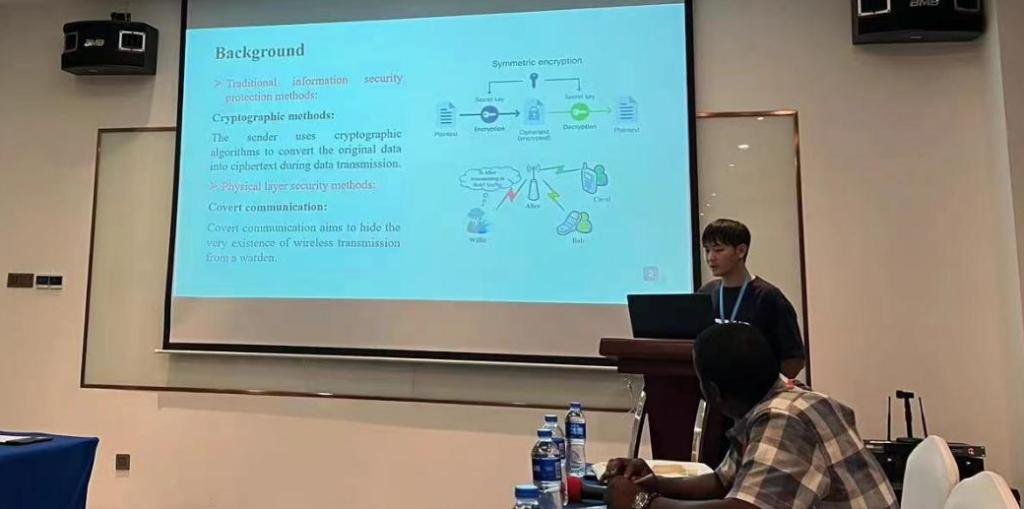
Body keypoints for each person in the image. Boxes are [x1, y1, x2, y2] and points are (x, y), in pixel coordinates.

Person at [602, 323, 898, 509]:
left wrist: (641, 503)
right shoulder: (783, 401)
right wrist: (654, 483)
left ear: (713, 392)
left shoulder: (785, 420)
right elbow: (723, 482)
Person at [698, 219, 805, 379]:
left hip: (759, 390)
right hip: (717, 388)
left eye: (718, 250)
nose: (710, 258)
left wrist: (765, 386)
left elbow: (794, 359)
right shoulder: (706, 293)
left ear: (741, 251)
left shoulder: (768, 297)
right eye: (707, 250)